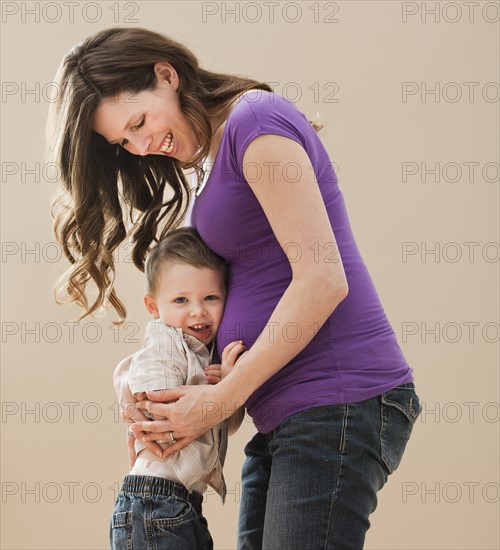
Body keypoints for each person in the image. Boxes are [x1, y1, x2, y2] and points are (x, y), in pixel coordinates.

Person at [47, 27, 422, 549]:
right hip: (287, 408)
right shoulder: (214, 152)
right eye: (124, 142)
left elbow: (322, 278)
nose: (141, 145)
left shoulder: (254, 120)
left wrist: (220, 398)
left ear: (166, 75)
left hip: (337, 393)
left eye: (139, 122)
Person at [111, 226, 245, 549]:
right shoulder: (166, 341)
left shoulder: (205, 357)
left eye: (210, 297)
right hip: (154, 502)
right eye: (181, 300)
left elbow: (228, 423)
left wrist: (229, 385)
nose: (198, 310)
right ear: (154, 307)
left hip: (181, 504)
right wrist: (128, 386)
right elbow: (156, 399)